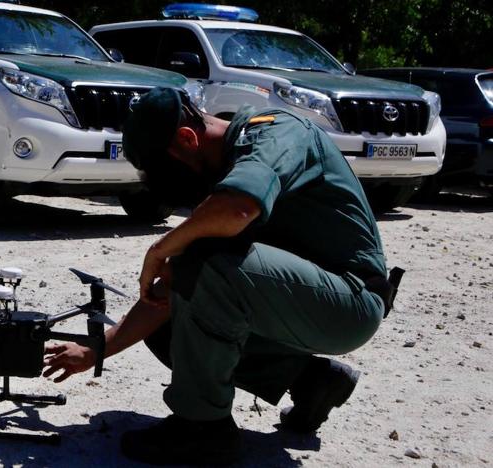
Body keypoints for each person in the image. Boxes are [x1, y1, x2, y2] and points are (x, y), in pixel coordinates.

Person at [43, 87, 393, 465]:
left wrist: (160, 249)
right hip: (303, 301)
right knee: (169, 323)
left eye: (166, 169)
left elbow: (238, 209)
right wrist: (96, 349)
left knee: (205, 264)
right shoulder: (223, 163)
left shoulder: (275, 133)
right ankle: (309, 381)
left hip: (350, 301)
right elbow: (168, 293)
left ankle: (202, 431)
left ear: (187, 138)